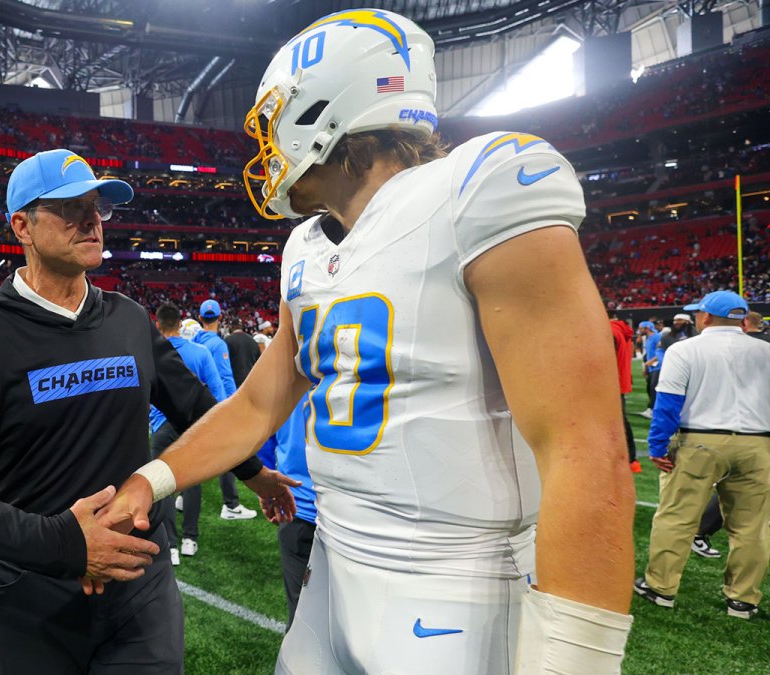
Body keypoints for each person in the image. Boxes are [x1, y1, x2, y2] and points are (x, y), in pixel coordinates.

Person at [100, 10, 636, 673]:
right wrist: (148, 481)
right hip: (333, 568)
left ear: (327, 112)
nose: (266, 147)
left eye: (275, 122)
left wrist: (573, 663)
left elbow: (586, 447)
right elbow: (257, 405)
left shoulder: (480, 188)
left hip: (452, 589)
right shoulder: (304, 247)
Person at [0, 149, 291, 675]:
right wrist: (63, 543)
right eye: (68, 207)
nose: (90, 219)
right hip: (36, 594)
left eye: (97, 207)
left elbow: (193, 404)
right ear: (23, 226)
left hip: (139, 580)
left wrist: (254, 472)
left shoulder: (127, 319)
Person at [636, 291, 770, 620]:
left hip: (699, 443)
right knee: (751, 527)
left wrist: (657, 447)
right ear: (741, 320)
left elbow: (666, 404)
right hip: (757, 445)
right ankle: (742, 600)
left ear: (705, 317)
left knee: (677, 518)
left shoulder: (684, 349)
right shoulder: (766, 351)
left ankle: (660, 588)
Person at [149, 303, 227, 565]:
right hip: (192, 426)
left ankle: (170, 545)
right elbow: (217, 393)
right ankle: (190, 540)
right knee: (192, 482)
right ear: (181, 325)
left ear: (157, 325)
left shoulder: (150, 354)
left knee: (163, 487)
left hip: (161, 427)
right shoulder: (201, 352)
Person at [193, 299, 258, 522]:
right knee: (227, 453)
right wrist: (233, 403)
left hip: (197, 403)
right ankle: (230, 504)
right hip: (217, 404)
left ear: (200, 318)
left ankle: (184, 494)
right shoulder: (218, 344)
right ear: (219, 318)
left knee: (195, 451)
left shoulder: (195, 341)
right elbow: (225, 377)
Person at [255, 398, 315, 627]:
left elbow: (264, 437)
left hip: (298, 505)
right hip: (352, 515)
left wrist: (269, 487)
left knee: (301, 619)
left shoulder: (287, 375)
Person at [607, 307, 639, 472]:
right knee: (620, 421)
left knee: (616, 423)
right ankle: (630, 459)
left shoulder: (610, 331)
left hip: (610, 384)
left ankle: (629, 458)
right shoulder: (622, 330)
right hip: (621, 381)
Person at [225, 321, 262, 388]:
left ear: (231, 327)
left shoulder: (227, 340)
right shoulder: (252, 340)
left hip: (234, 381)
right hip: (250, 380)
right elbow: (259, 361)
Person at [638, 320, 661, 417]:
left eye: (641, 328)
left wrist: (651, 362)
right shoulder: (648, 338)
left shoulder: (657, 337)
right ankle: (651, 408)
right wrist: (646, 367)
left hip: (658, 367)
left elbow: (663, 351)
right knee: (649, 389)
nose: (639, 330)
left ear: (646, 328)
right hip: (651, 368)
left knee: (654, 389)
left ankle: (653, 410)